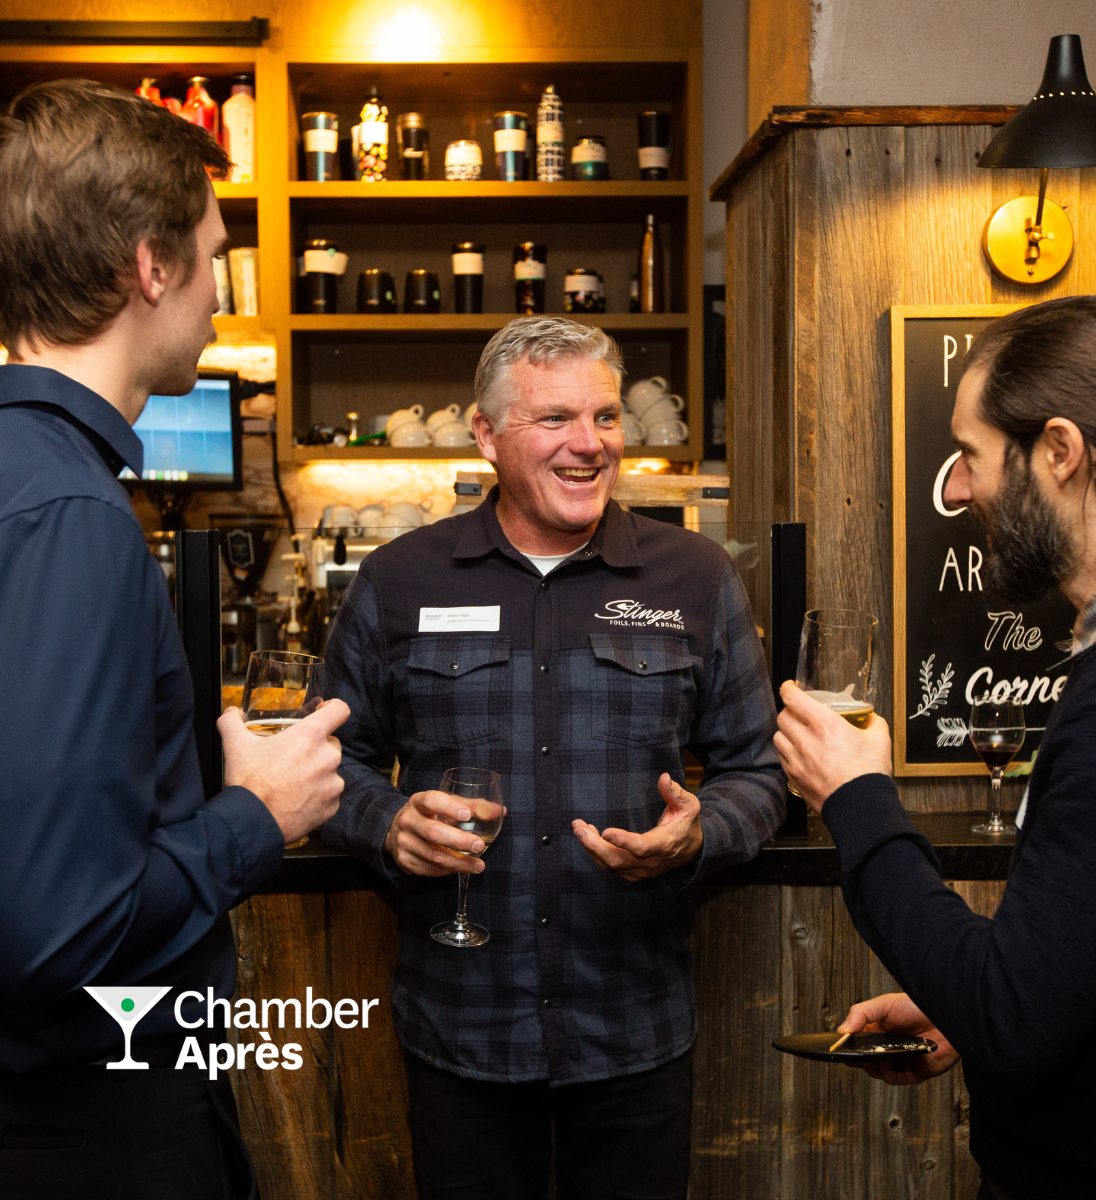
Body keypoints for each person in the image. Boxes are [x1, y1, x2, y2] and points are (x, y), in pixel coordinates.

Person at [0, 80, 348, 1197]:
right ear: (149, 266)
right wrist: (254, 818)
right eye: (214, 253)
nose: (223, 297)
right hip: (76, 1136)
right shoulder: (63, 516)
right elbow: (48, 937)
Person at [322, 315, 786, 1200]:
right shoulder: (398, 581)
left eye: (606, 418)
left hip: (632, 1025)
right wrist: (388, 825)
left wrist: (701, 833)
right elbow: (327, 761)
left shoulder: (695, 577)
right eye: (555, 420)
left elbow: (757, 773)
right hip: (463, 1025)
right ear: (487, 433)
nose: (589, 445)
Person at [775, 295, 1096, 1200]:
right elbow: (1088, 962)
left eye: (974, 454)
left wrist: (857, 801)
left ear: (1061, 453)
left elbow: (1012, 1016)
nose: (957, 489)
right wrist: (970, 997)